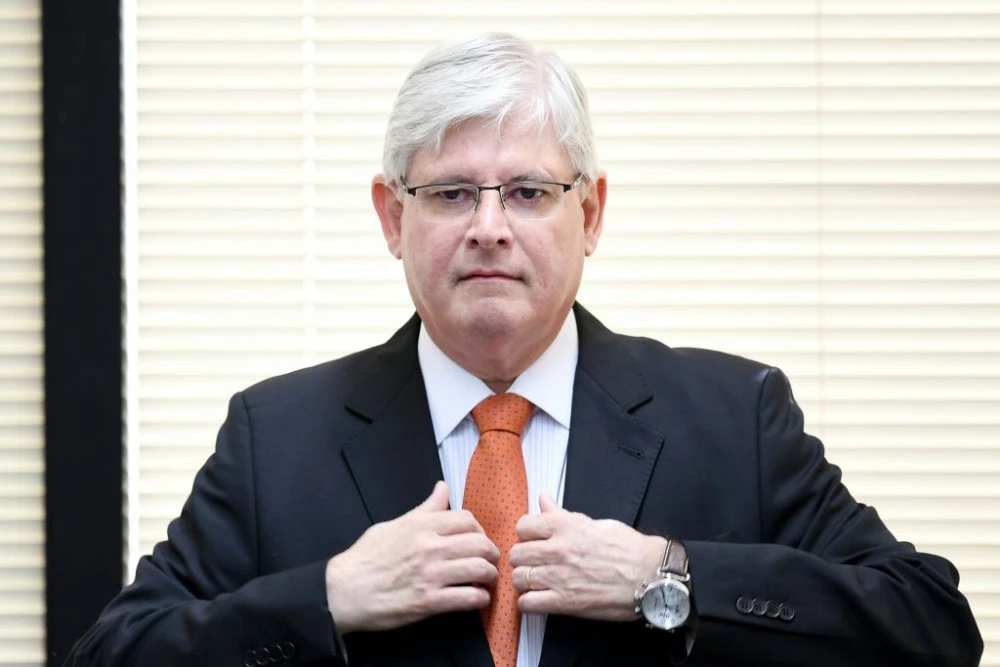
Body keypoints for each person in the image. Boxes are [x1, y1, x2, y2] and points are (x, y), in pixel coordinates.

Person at [66, 32, 982, 667]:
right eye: (453, 193)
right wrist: (332, 595)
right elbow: (113, 651)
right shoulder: (276, 436)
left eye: (530, 193)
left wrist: (668, 579)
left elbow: (931, 625)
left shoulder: (734, 416)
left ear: (591, 214)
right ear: (393, 217)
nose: (490, 229)